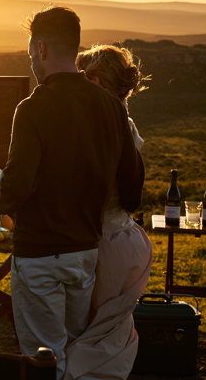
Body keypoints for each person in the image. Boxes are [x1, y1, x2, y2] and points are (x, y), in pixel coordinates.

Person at [0, 7, 144, 380]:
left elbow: (17, 187)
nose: (32, 65)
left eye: (31, 55)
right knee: (75, 350)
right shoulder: (111, 107)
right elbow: (133, 188)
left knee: (43, 361)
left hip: (39, 254)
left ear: (41, 49)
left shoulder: (32, 108)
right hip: (85, 257)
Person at [63, 45, 152, 380]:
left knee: (91, 335)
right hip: (122, 241)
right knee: (106, 334)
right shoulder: (125, 123)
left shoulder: (104, 128)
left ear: (96, 82)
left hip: (104, 247)